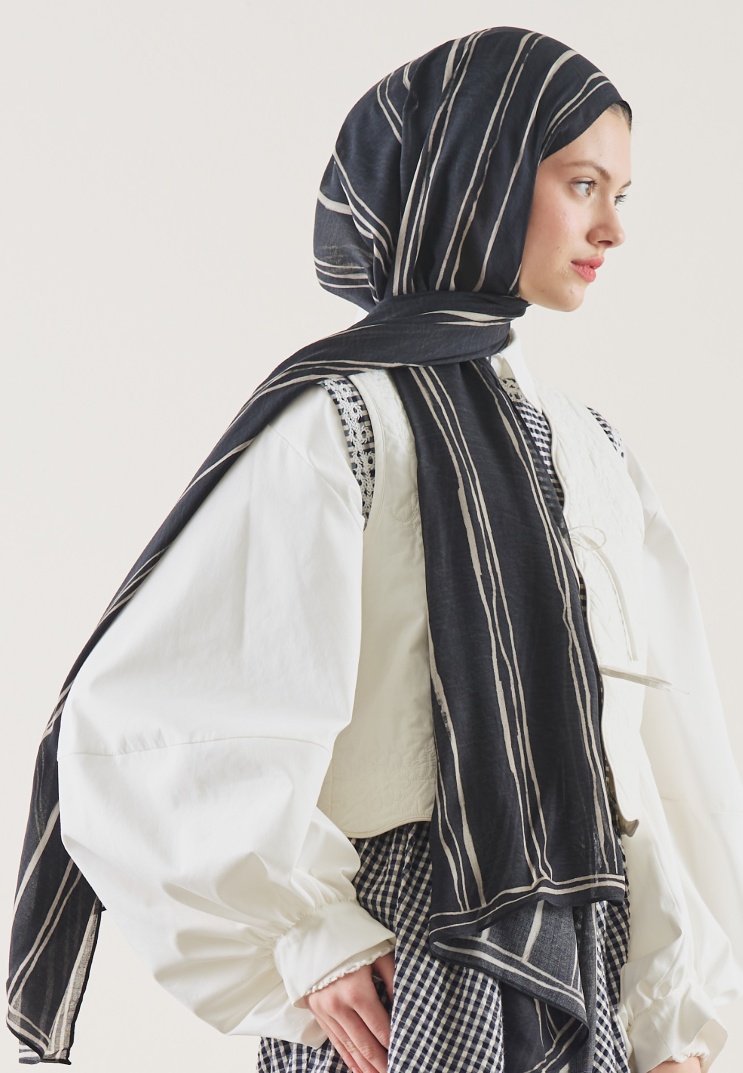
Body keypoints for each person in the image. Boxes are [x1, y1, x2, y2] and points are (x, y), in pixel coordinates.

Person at [7, 26, 743, 1073]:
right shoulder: (339, 425)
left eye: (620, 194)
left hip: (592, 950)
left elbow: (643, 759)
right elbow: (148, 712)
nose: (610, 228)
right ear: (479, 178)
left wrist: (671, 1012)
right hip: (408, 951)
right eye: (582, 184)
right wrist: (303, 932)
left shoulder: (591, 451)